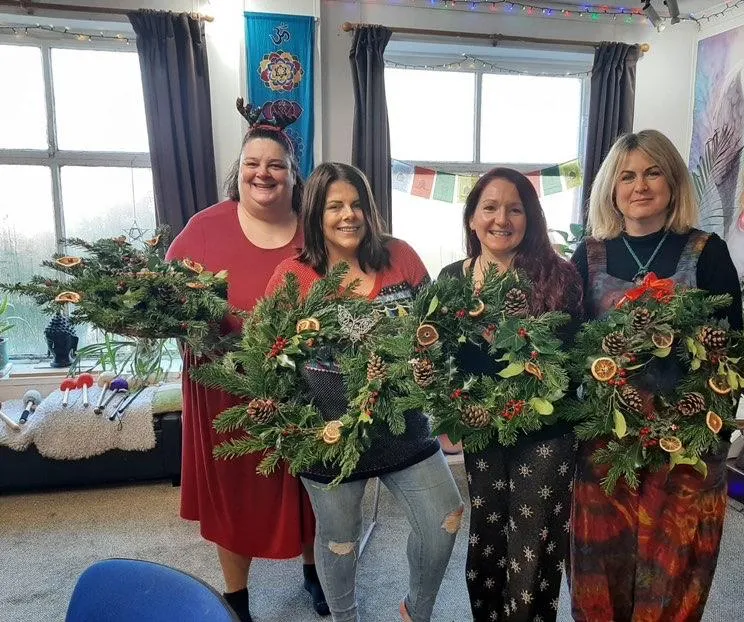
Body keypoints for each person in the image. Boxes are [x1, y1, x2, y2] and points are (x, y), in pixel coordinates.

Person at [265, 162, 464, 622]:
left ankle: (417, 612)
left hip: (405, 428)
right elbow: (268, 355)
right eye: (334, 206)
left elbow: (435, 329)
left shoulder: (401, 257)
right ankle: (345, 618)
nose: (348, 215)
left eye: (356, 204)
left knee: (445, 520)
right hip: (329, 438)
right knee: (339, 540)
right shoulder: (292, 276)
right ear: (316, 214)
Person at [569, 129, 743, 622]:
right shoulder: (589, 254)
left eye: (652, 172)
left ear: (673, 181)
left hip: (685, 445)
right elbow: (570, 344)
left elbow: (729, 351)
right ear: (611, 187)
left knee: (676, 565)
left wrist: (706, 428)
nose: (639, 185)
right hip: (606, 441)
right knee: (601, 563)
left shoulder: (707, 252)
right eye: (626, 176)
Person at [166, 103, 328, 621]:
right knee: (233, 498)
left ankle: (314, 571)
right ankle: (236, 599)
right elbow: (168, 302)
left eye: (276, 164)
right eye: (252, 163)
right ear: (238, 172)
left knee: (313, 488)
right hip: (224, 391)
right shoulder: (203, 229)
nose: (263, 173)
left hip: (303, 389)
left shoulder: (316, 230)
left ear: (293, 175)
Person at [437, 168, 583, 622]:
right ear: (472, 219)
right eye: (490, 207)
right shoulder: (450, 280)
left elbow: (572, 359)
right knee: (487, 537)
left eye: (515, 209)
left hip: (547, 434)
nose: (502, 219)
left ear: (530, 218)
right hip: (483, 434)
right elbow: (435, 356)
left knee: (533, 542)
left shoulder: (558, 277)